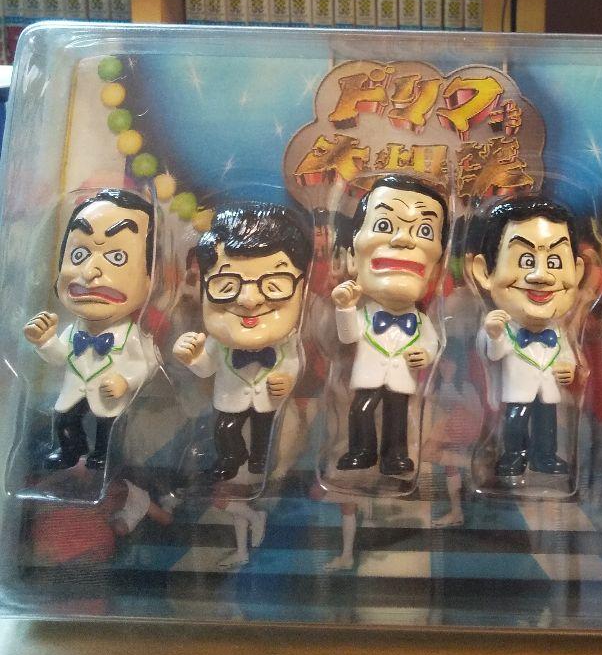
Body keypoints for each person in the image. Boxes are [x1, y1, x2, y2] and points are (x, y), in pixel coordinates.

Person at [173, 203, 312, 481]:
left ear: (302, 287)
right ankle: (230, 457)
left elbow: (294, 362)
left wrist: (287, 380)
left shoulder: (287, 341)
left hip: (268, 399)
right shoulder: (218, 342)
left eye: (274, 284)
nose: (249, 300)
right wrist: (191, 357)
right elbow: (206, 368)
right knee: (225, 428)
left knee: (265, 430)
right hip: (230, 397)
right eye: (226, 285)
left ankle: (262, 460)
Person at [24, 189, 158, 472]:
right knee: (64, 420)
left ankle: (103, 455)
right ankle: (70, 449)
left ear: (151, 277)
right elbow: (61, 356)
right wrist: (45, 341)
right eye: (79, 254)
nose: (90, 272)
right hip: (74, 389)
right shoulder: (75, 329)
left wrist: (126, 381)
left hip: (110, 398)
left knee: (108, 428)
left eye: (117, 257)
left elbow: (149, 362)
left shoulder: (130, 334)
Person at [331, 174, 447, 477]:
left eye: (424, 230)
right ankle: (361, 450)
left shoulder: (420, 320)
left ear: (437, 268)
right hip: (368, 374)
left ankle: (395, 455)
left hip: (401, 377)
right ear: (351, 257)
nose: (403, 240)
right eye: (384, 225)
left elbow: (432, 343)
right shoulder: (366, 313)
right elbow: (347, 336)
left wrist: (425, 354)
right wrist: (345, 307)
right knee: (361, 409)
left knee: (398, 416)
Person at [470, 194, 585, 484]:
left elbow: (567, 354)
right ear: (485, 272)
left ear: (578, 272)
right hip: (517, 390)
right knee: (515, 421)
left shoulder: (558, 331)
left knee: (548, 423)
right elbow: (493, 356)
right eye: (525, 260)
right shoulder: (502, 326)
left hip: (547, 388)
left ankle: (545, 456)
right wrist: (495, 334)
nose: (540, 276)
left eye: (555, 261)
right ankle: (513, 456)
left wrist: (568, 368)